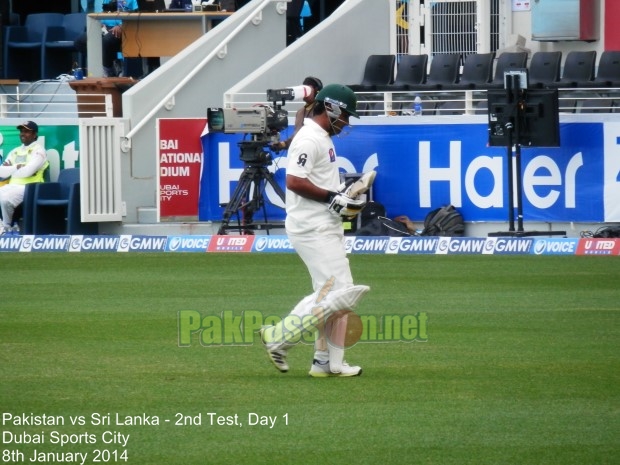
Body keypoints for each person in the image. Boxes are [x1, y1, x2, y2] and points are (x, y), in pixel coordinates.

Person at [260, 84, 370, 378]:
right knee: (340, 293)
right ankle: (278, 337)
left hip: (322, 224)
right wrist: (333, 199)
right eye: (345, 115)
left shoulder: (320, 137)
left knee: (334, 296)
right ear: (331, 108)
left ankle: (325, 362)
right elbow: (294, 182)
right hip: (312, 228)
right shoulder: (310, 138)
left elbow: (319, 184)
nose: (346, 122)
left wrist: (342, 198)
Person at [0, 121, 49, 235]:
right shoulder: (15, 151)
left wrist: (11, 170)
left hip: (31, 187)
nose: (23, 134)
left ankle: (7, 227)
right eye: (22, 131)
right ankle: (3, 225)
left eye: (27, 131)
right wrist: (17, 167)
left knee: (5, 198)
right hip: (12, 186)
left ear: (34, 135)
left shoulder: (39, 151)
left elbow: (28, 172)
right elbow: (2, 172)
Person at [75, 0, 140, 77]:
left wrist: (122, 26)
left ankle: (109, 70)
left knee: (106, 41)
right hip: (104, 28)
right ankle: (107, 66)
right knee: (80, 42)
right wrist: (100, 23)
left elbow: (136, 15)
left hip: (124, 28)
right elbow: (99, 14)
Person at [272, 76, 323, 151]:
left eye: (308, 89)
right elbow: (296, 136)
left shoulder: (322, 110)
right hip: (299, 152)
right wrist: (282, 144)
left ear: (317, 92)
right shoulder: (300, 112)